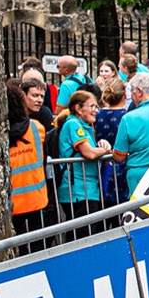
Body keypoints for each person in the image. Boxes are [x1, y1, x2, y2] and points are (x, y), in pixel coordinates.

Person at [56, 89, 112, 228]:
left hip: (88, 189)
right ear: (78, 109)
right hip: (78, 191)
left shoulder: (86, 127)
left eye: (96, 107)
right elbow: (89, 153)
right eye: (92, 106)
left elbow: (95, 152)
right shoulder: (73, 124)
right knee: (82, 233)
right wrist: (104, 150)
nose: (96, 110)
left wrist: (102, 146)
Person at [7, 79, 55, 238]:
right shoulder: (37, 128)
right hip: (37, 200)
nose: (39, 100)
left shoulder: (1, 134)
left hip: (13, 204)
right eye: (35, 95)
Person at [95, 79, 128, 203]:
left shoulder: (97, 115)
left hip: (102, 165)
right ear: (124, 95)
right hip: (122, 165)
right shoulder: (127, 116)